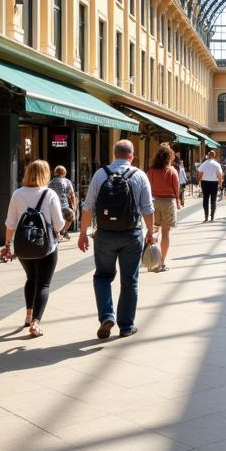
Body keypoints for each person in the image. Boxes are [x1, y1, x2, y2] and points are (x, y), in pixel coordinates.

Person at [79, 139, 155, 339]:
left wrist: (82, 233)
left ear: (114, 154)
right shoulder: (139, 175)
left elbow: (88, 207)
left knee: (102, 276)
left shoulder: (100, 174)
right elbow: (148, 208)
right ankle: (126, 326)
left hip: (104, 234)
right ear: (131, 156)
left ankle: (106, 315)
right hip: (131, 234)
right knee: (130, 280)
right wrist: (150, 231)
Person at [2, 159, 66, 338]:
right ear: (45, 174)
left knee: (31, 278)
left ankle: (28, 315)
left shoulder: (17, 194)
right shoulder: (49, 194)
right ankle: (36, 323)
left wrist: (7, 245)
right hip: (46, 246)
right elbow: (59, 225)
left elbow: (10, 223)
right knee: (43, 284)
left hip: (23, 246)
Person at [146, 144, 182, 272]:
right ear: (169, 157)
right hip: (168, 202)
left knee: (154, 231)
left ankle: (150, 258)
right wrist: (178, 201)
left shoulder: (150, 171)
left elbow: (147, 187)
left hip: (154, 201)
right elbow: (176, 188)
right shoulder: (172, 171)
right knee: (166, 233)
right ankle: (161, 263)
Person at [48, 166, 77, 240]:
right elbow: (71, 194)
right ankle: (63, 232)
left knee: (55, 220)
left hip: (54, 205)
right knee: (71, 217)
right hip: (64, 205)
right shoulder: (67, 181)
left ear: (55, 172)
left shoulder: (51, 182)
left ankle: (58, 234)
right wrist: (74, 205)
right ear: (64, 173)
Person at [197, 150, 223, 222]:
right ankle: (212, 217)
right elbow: (220, 175)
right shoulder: (217, 164)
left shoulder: (204, 163)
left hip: (205, 182)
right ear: (214, 156)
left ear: (208, 155)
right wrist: (220, 184)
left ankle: (206, 217)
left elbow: (199, 173)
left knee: (205, 199)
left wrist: (199, 180)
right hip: (214, 182)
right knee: (213, 199)